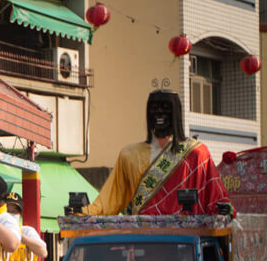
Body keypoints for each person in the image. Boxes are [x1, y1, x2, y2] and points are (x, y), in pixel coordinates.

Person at [83, 90, 231, 216]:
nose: (159, 113)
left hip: (185, 238)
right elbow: (110, 200)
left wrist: (224, 210)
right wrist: (83, 213)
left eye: (166, 107)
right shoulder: (129, 154)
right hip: (143, 239)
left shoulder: (196, 153)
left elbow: (216, 197)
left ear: (176, 113)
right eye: (154, 108)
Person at [6, 192, 48, 261]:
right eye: (7, 210)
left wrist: (19, 236)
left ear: (20, 214)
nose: (10, 214)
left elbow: (43, 252)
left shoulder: (27, 231)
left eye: (14, 211)